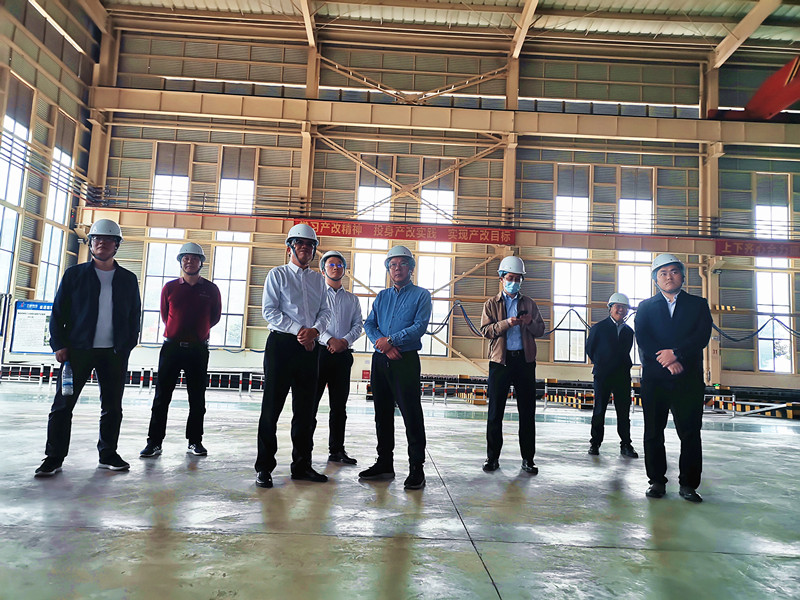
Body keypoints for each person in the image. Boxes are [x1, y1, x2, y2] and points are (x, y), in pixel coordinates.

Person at [35, 219, 141, 477]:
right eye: (96, 239)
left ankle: (108, 454)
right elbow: (58, 313)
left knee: (112, 407)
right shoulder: (74, 275)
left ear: (116, 245)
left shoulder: (128, 279)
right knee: (63, 406)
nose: (101, 243)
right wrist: (59, 344)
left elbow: (134, 317)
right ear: (90, 243)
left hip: (113, 353)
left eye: (108, 239)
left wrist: (126, 346)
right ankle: (54, 457)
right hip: (77, 352)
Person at [255, 224, 332, 489]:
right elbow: (270, 311)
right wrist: (300, 330)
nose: (305, 248)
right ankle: (264, 467)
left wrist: (315, 331)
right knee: (271, 408)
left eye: (310, 245)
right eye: (300, 243)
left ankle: (302, 466)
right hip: (282, 345)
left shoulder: (318, 280)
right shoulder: (277, 275)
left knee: (306, 411)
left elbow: (326, 312)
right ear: (290, 247)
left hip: (310, 348)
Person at [635, 253, 712, 503]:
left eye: (674, 271)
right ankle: (656, 481)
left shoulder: (698, 305)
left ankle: (688, 484)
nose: (669, 277)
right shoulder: (645, 307)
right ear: (656, 279)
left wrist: (676, 353)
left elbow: (701, 336)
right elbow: (643, 338)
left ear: (682, 276)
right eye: (663, 273)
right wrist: (667, 361)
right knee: (653, 432)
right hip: (655, 380)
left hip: (688, 380)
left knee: (690, 433)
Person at [139, 243, 221, 459]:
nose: (189, 261)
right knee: (161, 397)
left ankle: (195, 441)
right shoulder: (170, 288)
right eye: (185, 258)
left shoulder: (211, 290)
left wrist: (197, 333)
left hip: (198, 350)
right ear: (180, 262)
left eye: (194, 258)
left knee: (197, 398)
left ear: (201, 262)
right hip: (172, 348)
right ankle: (154, 442)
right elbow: (165, 315)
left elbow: (214, 317)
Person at [360, 245, 432, 490]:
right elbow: (369, 324)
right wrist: (382, 345)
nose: (397, 268)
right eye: (392, 265)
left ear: (411, 268)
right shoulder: (382, 297)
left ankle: (416, 468)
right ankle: (384, 463)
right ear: (388, 269)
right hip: (380, 360)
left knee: (411, 414)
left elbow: (419, 326)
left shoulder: (421, 295)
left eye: (402, 264)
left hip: (405, 360)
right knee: (382, 413)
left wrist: (391, 341)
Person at [479, 256, 545, 474]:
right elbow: (486, 331)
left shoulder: (529, 304)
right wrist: (506, 323)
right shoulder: (491, 304)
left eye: (518, 279)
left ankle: (528, 459)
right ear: (501, 278)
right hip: (500, 362)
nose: (514, 282)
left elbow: (540, 330)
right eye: (510, 278)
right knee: (495, 412)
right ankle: (492, 458)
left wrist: (530, 322)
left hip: (524, 362)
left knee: (527, 412)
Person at [314, 250, 363, 465]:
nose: (335, 268)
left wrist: (344, 341)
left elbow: (358, 325)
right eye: (331, 264)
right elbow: (312, 321)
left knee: (339, 407)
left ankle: (336, 451)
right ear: (323, 270)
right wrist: (329, 340)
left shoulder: (352, 299)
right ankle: (304, 452)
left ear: (345, 270)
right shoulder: (316, 295)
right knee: (310, 405)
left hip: (343, 355)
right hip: (319, 354)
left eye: (339, 265)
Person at [585, 292, 638, 458]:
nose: (621, 310)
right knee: (599, 410)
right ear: (610, 308)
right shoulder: (598, 328)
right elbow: (590, 349)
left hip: (622, 376)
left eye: (624, 307)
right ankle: (595, 443)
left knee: (623, 412)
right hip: (603, 375)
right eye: (617, 306)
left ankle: (626, 444)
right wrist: (602, 363)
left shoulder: (628, 331)